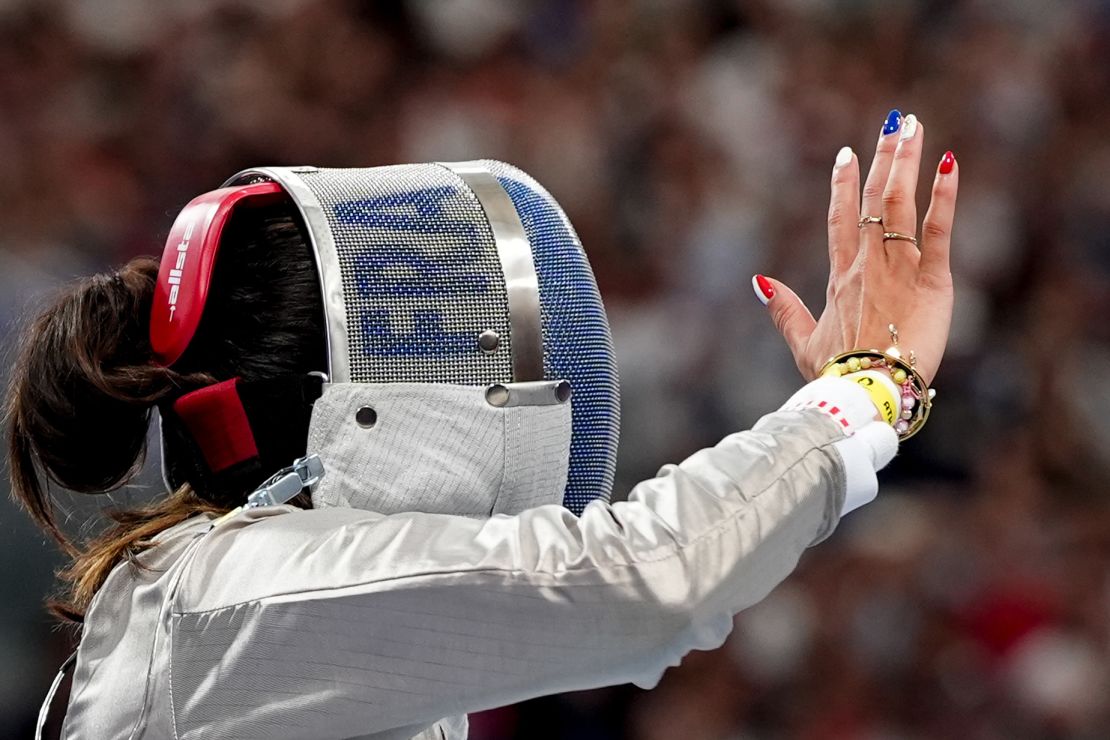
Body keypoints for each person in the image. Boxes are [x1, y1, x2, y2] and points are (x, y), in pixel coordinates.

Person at [8, 110, 957, 740]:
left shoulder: (244, 610)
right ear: (364, 404)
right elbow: (653, 579)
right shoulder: (226, 599)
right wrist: (871, 390)